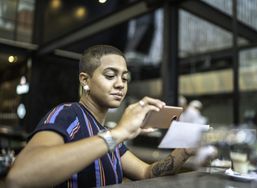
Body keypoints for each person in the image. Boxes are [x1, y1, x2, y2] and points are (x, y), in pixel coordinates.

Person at [5, 45, 200, 188]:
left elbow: (146, 173)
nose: (120, 84)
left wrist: (184, 150)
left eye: (124, 78)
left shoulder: (107, 134)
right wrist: (118, 133)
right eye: (110, 75)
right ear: (85, 80)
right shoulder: (68, 114)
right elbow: (19, 177)